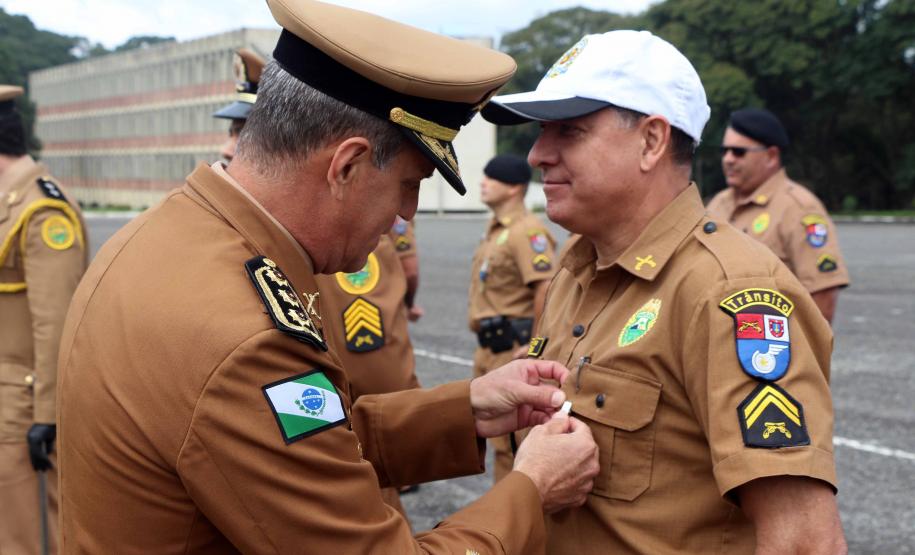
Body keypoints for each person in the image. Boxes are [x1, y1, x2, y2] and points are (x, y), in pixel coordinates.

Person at [55, 1, 600, 553]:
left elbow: (285, 444)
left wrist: (463, 410)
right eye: (410, 182)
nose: (405, 214)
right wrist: (532, 488)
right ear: (347, 166)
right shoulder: (249, 337)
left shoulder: (168, 234)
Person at [483, 31, 847, 554]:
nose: (538, 153)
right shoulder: (577, 266)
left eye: (569, 130)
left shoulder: (727, 291)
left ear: (652, 141)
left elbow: (804, 541)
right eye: (543, 132)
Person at [213, 45, 425, 518]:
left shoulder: (344, 238)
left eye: (242, 133)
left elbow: (371, 357)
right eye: (232, 133)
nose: (230, 148)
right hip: (314, 468)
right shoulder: (308, 234)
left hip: (337, 455)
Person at [0, 84, 87, 554]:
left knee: (30, 540)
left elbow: (56, 323)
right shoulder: (7, 204)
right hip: (7, 407)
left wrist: (48, 418)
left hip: (24, 414)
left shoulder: (42, 211)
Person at [707, 108, 850, 323]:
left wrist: (800, 356)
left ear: (771, 156)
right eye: (724, 151)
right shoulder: (719, 203)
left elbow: (823, 295)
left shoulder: (799, 208)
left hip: (769, 346)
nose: (728, 159)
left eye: (738, 152)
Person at [467, 154, 557, 483]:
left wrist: (536, 344)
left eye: (493, 177)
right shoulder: (497, 230)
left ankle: (514, 521)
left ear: (515, 188)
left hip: (513, 349)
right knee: (491, 436)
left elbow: (544, 287)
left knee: (510, 442)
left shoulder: (526, 232)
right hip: (489, 349)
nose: (483, 182)